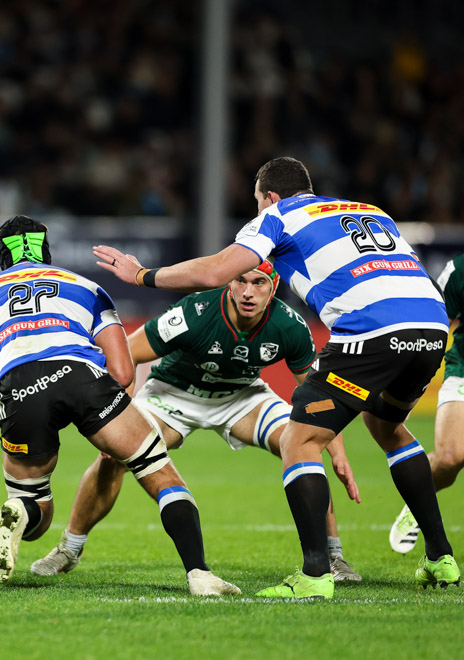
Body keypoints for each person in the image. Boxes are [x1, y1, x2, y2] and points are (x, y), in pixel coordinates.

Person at [92, 157, 459, 599]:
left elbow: (214, 272)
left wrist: (141, 275)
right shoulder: (368, 210)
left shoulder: (279, 215)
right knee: (387, 427)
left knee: (298, 441)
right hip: (431, 326)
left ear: (269, 196)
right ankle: (440, 556)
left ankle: (315, 574)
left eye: (256, 202)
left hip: (371, 327)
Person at [0, 215, 240, 596]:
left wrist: (16, 381)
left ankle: (21, 510)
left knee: (34, 505)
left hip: (19, 388)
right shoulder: (87, 287)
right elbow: (122, 372)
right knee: (159, 472)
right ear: (45, 249)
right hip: (82, 375)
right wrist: (105, 409)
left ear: (1, 255)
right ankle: (200, 575)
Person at [30, 261, 363, 581]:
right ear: (229, 282)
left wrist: (338, 453)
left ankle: (332, 556)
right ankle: (69, 549)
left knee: (304, 446)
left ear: (273, 287)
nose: (248, 292)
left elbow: (316, 398)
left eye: (259, 282)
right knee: (113, 458)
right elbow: (127, 353)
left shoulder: (290, 326)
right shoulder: (195, 312)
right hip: (173, 394)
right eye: (241, 280)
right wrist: (119, 416)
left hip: (242, 397)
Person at [389, 252, 464, 553]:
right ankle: (417, 503)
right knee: (449, 456)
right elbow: (434, 326)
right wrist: (408, 386)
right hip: (463, 371)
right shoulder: (459, 270)